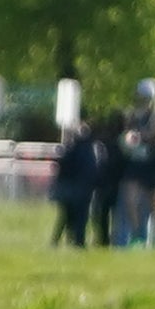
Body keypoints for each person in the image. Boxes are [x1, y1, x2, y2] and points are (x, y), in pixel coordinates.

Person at [116, 82, 155, 247]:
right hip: (136, 160)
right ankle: (137, 235)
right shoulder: (132, 115)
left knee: (154, 201)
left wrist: (154, 137)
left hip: (153, 160)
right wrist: (130, 139)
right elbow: (126, 135)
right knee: (130, 197)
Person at [49, 105, 107, 249]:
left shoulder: (74, 145)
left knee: (67, 216)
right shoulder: (92, 147)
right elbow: (95, 168)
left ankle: (62, 240)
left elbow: (64, 164)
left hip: (72, 185)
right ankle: (77, 241)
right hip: (83, 186)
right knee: (80, 215)